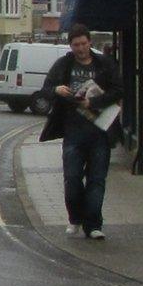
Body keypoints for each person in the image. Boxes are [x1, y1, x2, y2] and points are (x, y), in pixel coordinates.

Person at [39, 24, 122, 241]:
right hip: (73, 131)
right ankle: (75, 218)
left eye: (84, 44)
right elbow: (46, 89)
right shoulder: (63, 65)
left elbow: (119, 90)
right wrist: (56, 90)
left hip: (100, 131)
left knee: (97, 180)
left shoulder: (104, 64)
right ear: (71, 45)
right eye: (76, 45)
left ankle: (94, 225)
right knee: (72, 179)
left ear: (90, 43)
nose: (81, 48)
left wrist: (92, 101)